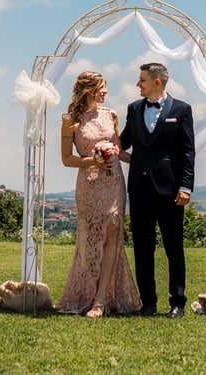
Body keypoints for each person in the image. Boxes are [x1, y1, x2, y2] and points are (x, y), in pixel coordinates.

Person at [56, 71, 141, 318]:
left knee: (112, 238)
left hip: (114, 183)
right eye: (102, 87)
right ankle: (86, 293)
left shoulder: (111, 115)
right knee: (90, 241)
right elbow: (67, 159)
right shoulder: (70, 120)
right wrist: (92, 160)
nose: (105, 91)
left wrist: (146, 162)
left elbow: (120, 151)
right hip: (89, 184)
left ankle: (101, 300)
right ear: (89, 89)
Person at [120, 62, 195, 319]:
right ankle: (148, 303)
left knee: (174, 248)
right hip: (139, 189)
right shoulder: (134, 108)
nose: (137, 84)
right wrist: (102, 141)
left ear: (157, 81)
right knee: (142, 249)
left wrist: (185, 186)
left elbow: (187, 151)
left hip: (170, 190)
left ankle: (178, 303)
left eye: (142, 80)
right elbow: (124, 140)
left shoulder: (182, 110)